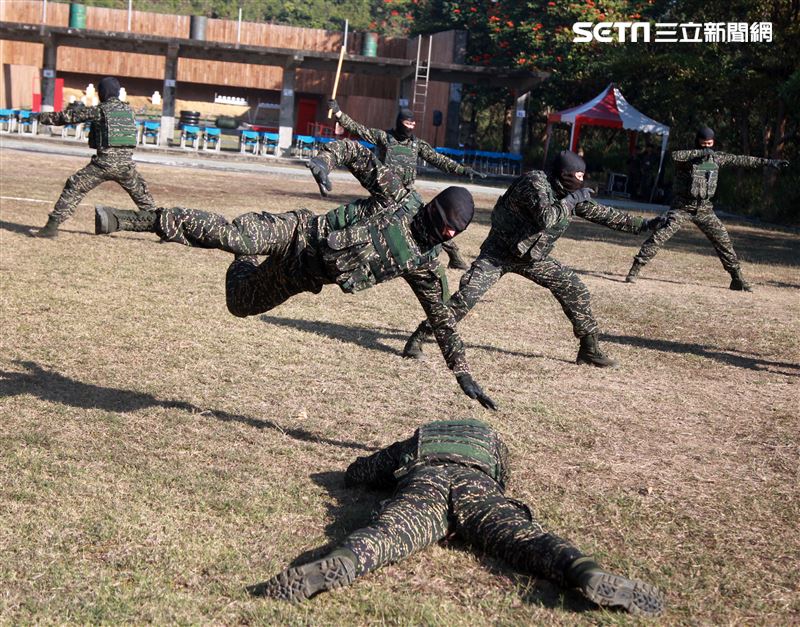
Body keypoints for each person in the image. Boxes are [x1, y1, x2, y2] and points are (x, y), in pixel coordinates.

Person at [94, 147, 496, 409]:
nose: (446, 234)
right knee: (234, 234)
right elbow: (357, 153)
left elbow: (442, 318)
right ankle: (132, 219)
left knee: (240, 304)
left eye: (453, 233)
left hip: (302, 276)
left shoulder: (424, 264)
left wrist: (461, 371)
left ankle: (245, 259)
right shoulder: (399, 197)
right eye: (444, 224)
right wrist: (324, 161)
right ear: (434, 207)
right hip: (298, 233)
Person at [250, 419, 664, 618]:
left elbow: (360, 473)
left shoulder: (421, 438)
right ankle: (582, 571)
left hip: (424, 479)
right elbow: (501, 481)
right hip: (476, 486)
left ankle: (344, 561)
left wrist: (362, 471)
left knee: (389, 532)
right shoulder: (494, 446)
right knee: (520, 536)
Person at [401, 151, 663, 368]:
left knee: (574, 289)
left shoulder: (566, 193)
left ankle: (589, 349)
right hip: (498, 253)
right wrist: (572, 199)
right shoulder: (535, 183)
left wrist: (645, 225)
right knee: (466, 298)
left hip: (533, 258)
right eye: (576, 177)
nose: (580, 182)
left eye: (583, 177)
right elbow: (546, 217)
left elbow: (602, 213)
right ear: (562, 174)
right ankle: (418, 339)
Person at [326, 100, 485, 270]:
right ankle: (337, 243)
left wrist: (463, 170)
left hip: (407, 197)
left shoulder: (417, 145)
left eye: (412, 123)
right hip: (385, 193)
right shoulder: (385, 138)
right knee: (365, 219)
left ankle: (455, 256)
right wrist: (339, 114)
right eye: (407, 123)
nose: (410, 127)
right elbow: (358, 129)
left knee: (431, 224)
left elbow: (439, 160)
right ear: (399, 122)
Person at [626, 126, 790, 290]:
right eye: (703, 143)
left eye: (709, 144)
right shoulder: (687, 159)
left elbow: (742, 159)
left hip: (705, 209)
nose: (706, 147)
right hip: (682, 207)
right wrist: (701, 153)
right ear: (697, 142)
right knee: (660, 235)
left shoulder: (717, 159)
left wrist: (769, 162)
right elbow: (676, 155)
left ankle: (737, 278)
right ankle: (635, 270)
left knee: (723, 241)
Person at [32, 76, 155, 238]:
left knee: (74, 186)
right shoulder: (129, 111)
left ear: (102, 92)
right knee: (145, 201)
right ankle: (165, 228)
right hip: (126, 167)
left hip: (102, 165)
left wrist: (40, 117)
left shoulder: (100, 110)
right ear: (117, 92)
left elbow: (67, 117)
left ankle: (51, 227)